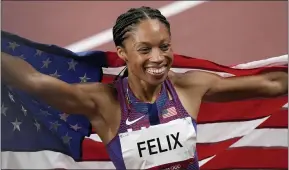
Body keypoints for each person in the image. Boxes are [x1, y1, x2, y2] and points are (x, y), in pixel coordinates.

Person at [2, 6, 288, 170]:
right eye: (144, 49)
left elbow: (272, 84)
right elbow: (32, 81)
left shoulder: (190, 87)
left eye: (164, 46)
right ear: (122, 53)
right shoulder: (104, 103)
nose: (158, 58)